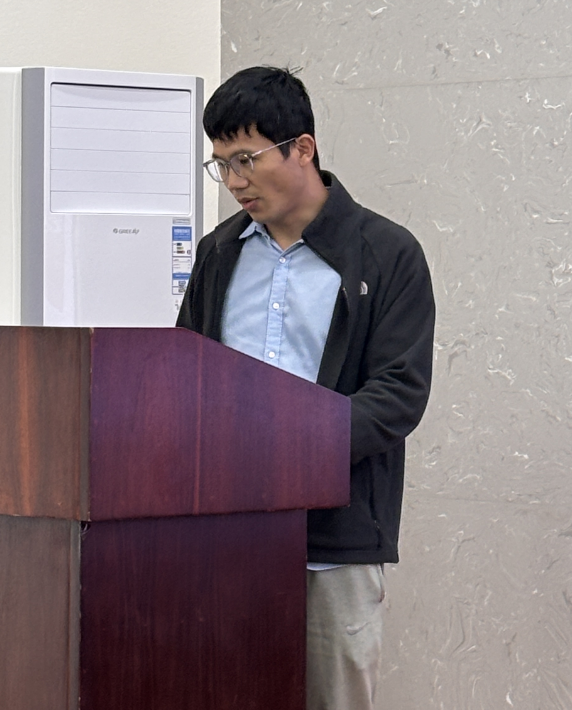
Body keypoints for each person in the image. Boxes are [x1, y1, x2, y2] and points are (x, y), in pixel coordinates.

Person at [176, 66, 435, 710]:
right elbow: (186, 374)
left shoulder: (387, 253)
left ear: (303, 148)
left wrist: (294, 452)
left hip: (335, 539)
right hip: (225, 531)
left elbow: (398, 393)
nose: (234, 181)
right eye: (221, 165)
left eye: (246, 159)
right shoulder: (218, 253)